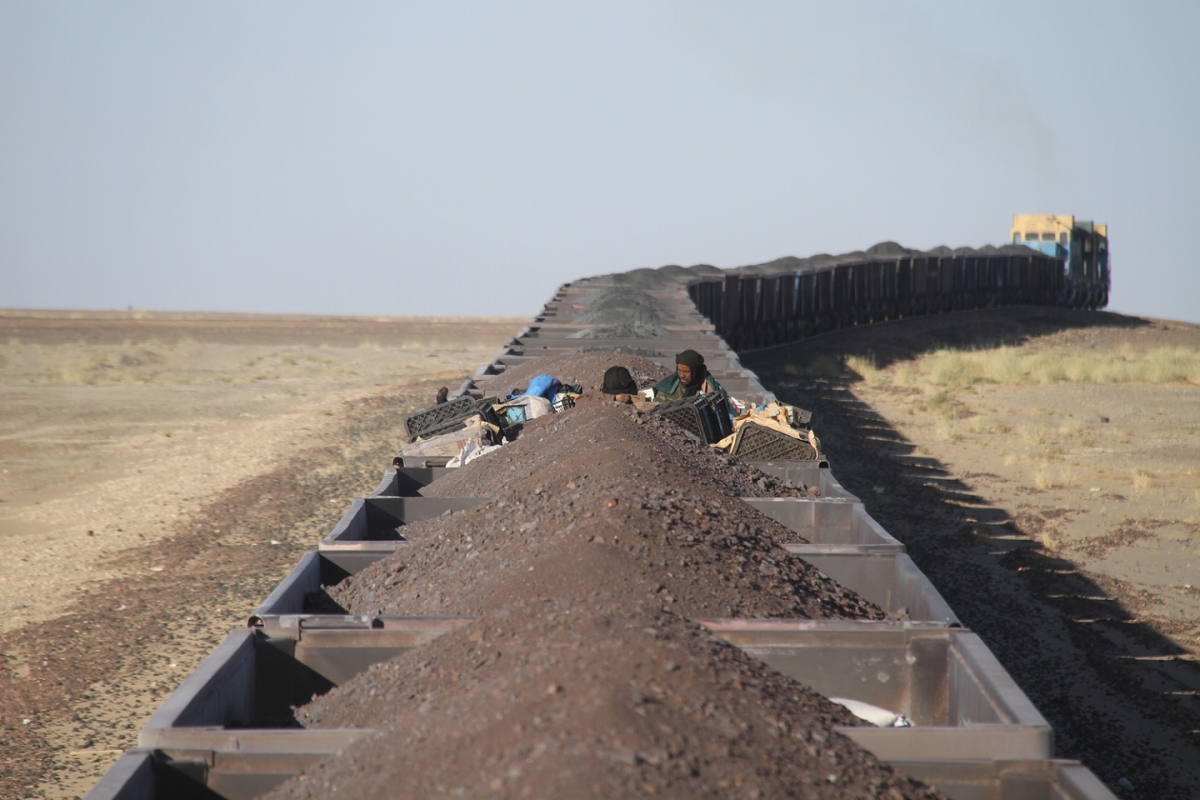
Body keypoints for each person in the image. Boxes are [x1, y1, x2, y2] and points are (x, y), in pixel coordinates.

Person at [653, 349, 734, 417]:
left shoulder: (709, 388)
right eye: (679, 370)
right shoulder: (668, 388)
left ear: (695, 372)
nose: (681, 375)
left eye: (686, 372)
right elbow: (657, 411)